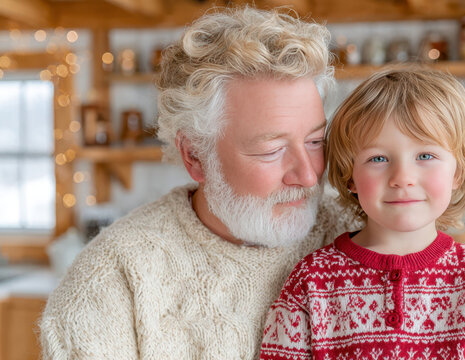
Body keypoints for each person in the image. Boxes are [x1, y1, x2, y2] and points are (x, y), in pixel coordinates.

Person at [39, 7, 358, 360]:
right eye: (272, 150)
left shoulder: (364, 236)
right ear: (195, 155)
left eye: (315, 142)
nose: (309, 175)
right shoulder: (112, 280)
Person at [260, 67, 465, 359]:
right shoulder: (312, 281)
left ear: (457, 172)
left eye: (425, 156)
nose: (402, 177)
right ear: (350, 177)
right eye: (378, 158)